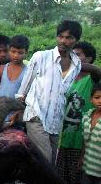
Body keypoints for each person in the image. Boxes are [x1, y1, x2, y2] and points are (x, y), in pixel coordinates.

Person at [16, 20, 84, 165]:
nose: (63, 41)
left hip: (56, 120)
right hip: (36, 115)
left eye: (68, 37)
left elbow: (64, 93)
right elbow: (23, 88)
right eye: (60, 36)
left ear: (76, 40)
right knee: (45, 160)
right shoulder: (41, 57)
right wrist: (18, 110)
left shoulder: (77, 63)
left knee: (52, 161)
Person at [56, 42, 98, 184]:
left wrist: (73, 62)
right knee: (61, 177)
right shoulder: (69, 78)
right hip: (63, 136)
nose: (73, 57)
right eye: (72, 54)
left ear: (90, 58)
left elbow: (97, 71)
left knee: (77, 180)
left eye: (78, 55)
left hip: (80, 139)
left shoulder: (93, 80)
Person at [80, 82, 101, 184]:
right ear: (91, 99)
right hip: (88, 164)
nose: (100, 101)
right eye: (97, 97)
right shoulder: (87, 116)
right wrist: (82, 157)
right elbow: (85, 140)